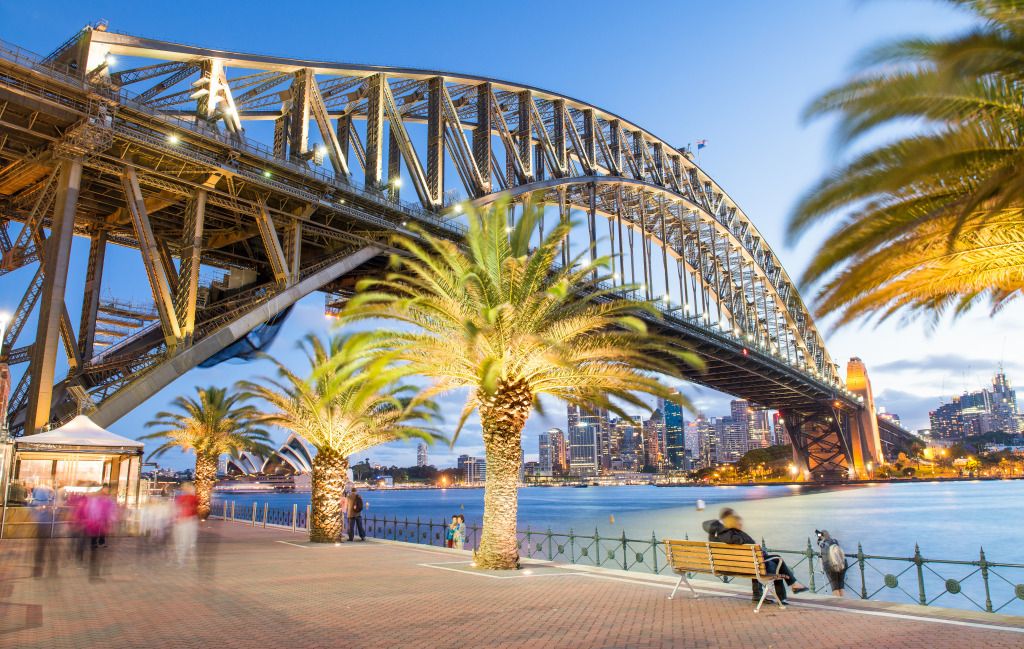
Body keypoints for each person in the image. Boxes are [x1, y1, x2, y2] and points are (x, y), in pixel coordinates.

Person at [702, 508, 808, 604]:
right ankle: (787, 592)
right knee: (776, 562)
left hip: (732, 564)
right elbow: (736, 541)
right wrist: (749, 541)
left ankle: (787, 589)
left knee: (771, 563)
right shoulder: (728, 534)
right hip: (746, 565)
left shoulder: (716, 534)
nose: (740, 524)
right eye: (737, 521)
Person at [816, 529, 848, 596]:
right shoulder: (835, 541)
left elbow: (824, 558)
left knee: (835, 588)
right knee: (841, 586)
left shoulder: (823, 545)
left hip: (831, 567)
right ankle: (843, 603)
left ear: (822, 536)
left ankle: (838, 604)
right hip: (842, 565)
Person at [173, 484, 198, 567]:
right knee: (188, 537)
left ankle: (182, 555)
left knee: (184, 537)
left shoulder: (181, 497)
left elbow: (177, 508)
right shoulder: (192, 498)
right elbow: (197, 507)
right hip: (188, 519)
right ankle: (185, 553)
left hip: (183, 520)